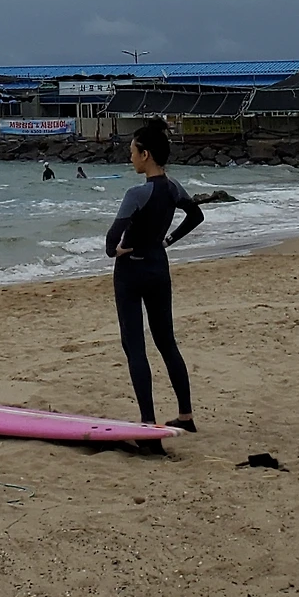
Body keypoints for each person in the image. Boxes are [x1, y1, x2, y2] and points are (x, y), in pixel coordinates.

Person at [105, 120, 203, 432]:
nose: (130, 156)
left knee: (135, 346)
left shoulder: (136, 193)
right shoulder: (173, 188)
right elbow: (196, 215)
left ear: (145, 154)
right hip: (159, 267)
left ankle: (148, 424)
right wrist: (167, 241)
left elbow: (111, 241)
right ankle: (186, 416)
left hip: (131, 272)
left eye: (133, 151)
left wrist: (117, 251)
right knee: (166, 342)